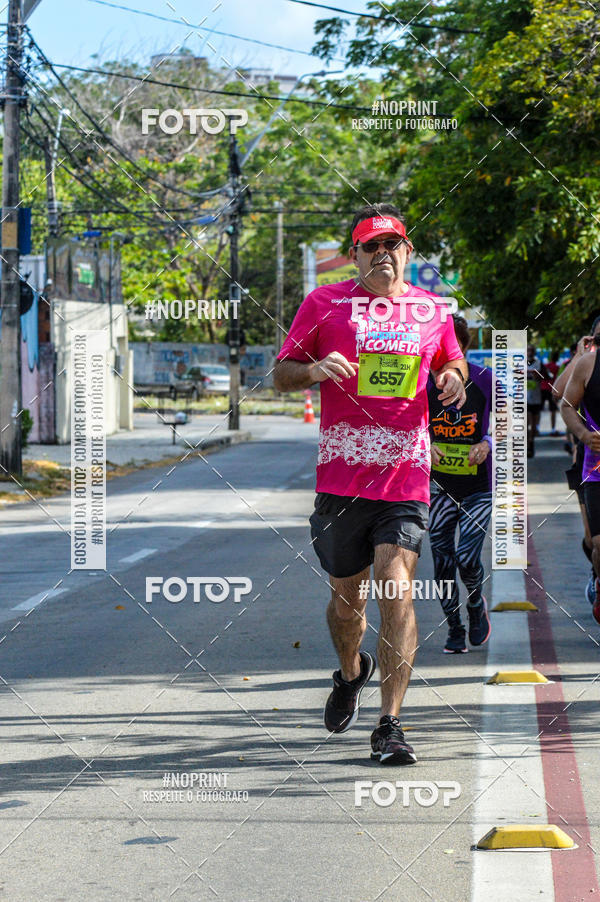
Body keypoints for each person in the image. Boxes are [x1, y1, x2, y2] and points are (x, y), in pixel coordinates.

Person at [273, 203, 467, 765]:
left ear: (408, 252)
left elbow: (449, 364)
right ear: (355, 256)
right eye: (371, 246)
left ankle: (391, 724)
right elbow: (283, 370)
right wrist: (311, 370)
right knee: (346, 605)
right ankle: (351, 672)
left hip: (406, 476)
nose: (384, 254)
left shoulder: (432, 311)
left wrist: (451, 380)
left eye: (394, 244)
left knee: (396, 586)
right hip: (341, 480)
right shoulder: (323, 303)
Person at [427, 315, 492, 653]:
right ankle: (453, 626)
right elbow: (405, 422)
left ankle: (476, 604)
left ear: (462, 348)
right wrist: (426, 442)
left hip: (478, 486)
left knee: (467, 557)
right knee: (441, 560)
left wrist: (488, 444)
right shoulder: (422, 383)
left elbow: (510, 420)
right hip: (437, 487)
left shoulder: (484, 379)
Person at [560, 318, 600, 622]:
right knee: (596, 541)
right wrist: (585, 435)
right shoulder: (588, 363)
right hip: (594, 467)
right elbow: (563, 401)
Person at [526, 345, 549, 458]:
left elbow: (545, 376)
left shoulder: (539, 363)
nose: (529, 352)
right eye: (527, 350)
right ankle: (527, 445)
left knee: (533, 425)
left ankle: (531, 443)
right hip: (524, 398)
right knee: (526, 423)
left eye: (531, 350)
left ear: (534, 352)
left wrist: (536, 374)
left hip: (536, 397)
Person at [541, 351, 560, 435]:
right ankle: (553, 429)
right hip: (552, 389)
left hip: (543, 388)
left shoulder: (546, 366)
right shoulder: (557, 367)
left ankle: (537, 427)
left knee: (538, 411)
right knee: (553, 410)